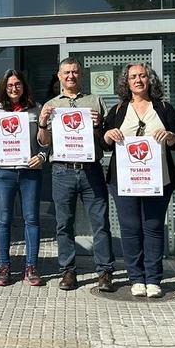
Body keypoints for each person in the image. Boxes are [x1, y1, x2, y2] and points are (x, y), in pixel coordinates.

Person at [102, 63, 175, 298]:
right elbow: (101, 141)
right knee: (130, 228)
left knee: (153, 227)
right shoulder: (118, 110)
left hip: (158, 179)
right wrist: (108, 135)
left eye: (142, 76)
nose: (138, 80)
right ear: (126, 82)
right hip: (124, 180)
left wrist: (169, 137)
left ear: (150, 80)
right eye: (133, 77)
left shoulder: (164, 108)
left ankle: (154, 279)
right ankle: (136, 278)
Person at [38, 57, 116, 292]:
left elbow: (106, 143)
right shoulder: (51, 105)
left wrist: (99, 125)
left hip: (91, 170)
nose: (71, 76)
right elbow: (44, 144)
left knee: (100, 223)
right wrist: (42, 124)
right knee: (64, 224)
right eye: (66, 72)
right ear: (59, 76)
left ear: (81, 75)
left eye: (75, 72)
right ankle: (68, 272)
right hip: (63, 170)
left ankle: (104, 272)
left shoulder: (95, 101)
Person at [0, 70, 47, 286]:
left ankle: (31, 266)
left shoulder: (36, 108)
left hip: (29, 171)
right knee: (3, 220)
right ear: (3, 87)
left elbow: (46, 142)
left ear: (23, 86)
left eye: (17, 84)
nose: (13, 88)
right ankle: (4, 266)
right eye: (9, 85)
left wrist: (42, 156)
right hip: (3, 172)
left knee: (32, 219)